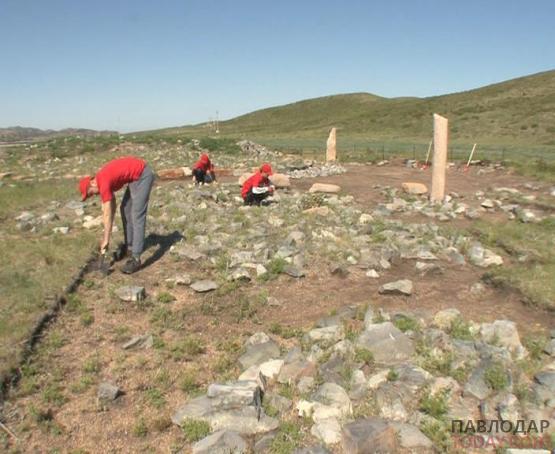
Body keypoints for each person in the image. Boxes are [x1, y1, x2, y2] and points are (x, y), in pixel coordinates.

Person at [78, 156, 155, 274]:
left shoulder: (102, 182)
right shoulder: (102, 180)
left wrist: (106, 239)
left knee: (137, 215)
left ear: (92, 183)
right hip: (134, 178)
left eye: (91, 193)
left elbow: (107, 214)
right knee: (125, 209)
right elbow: (111, 206)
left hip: (143, 176)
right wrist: (106, 236)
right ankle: (129, 248)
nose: (93, 196)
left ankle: (136, 258)